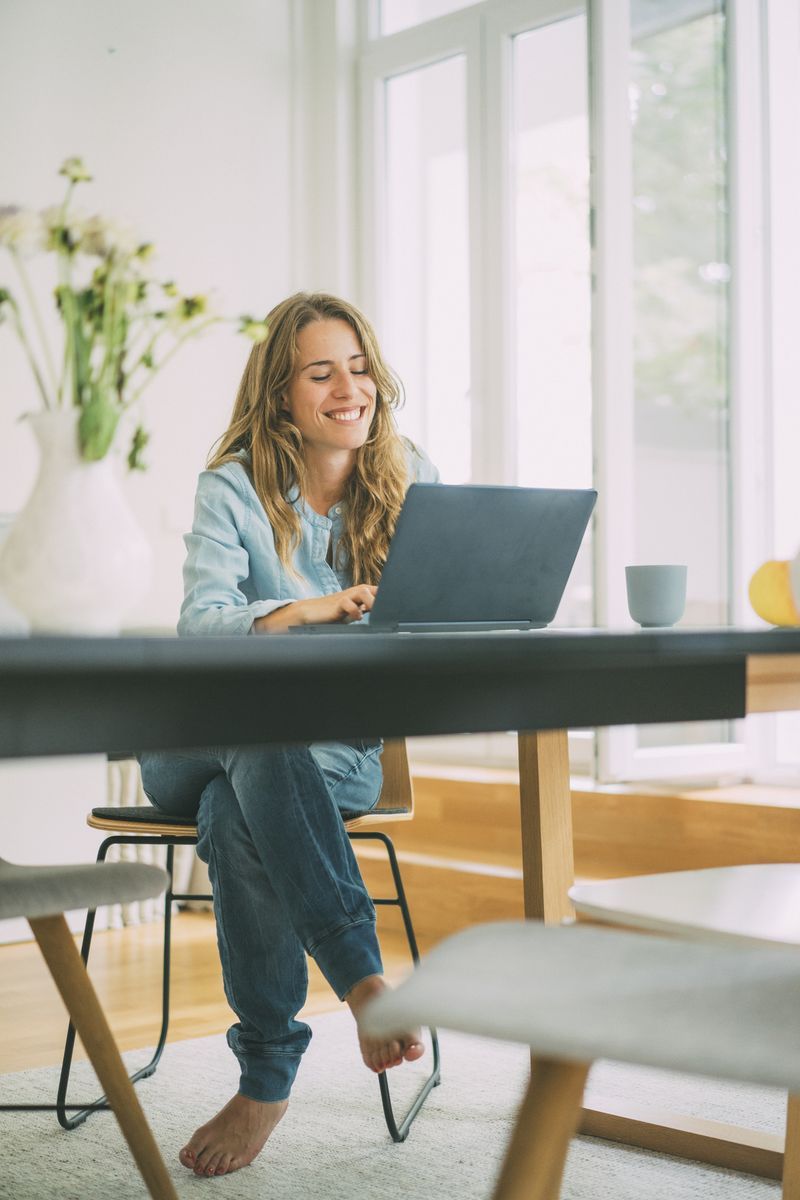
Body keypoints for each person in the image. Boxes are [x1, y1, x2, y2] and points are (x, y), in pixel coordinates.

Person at [137, 291, 439, 1179]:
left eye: (359, 367)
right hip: (196, 743)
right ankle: (362, 980)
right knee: (249, 740)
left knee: (242, 812)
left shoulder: (412, 474)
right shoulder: (231, 488)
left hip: (339, 754)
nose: (349, 387)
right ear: (282, 396)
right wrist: (307, 611)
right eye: (321, 372)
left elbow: (449, 620)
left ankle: (265, 1072)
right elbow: (201, 627)